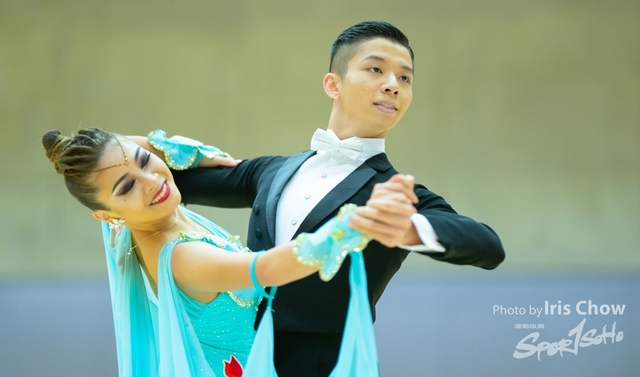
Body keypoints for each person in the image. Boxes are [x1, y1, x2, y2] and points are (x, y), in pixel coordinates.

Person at [149, 21, 506, 377]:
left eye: (405, 78)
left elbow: (488, 246)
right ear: (333, 84)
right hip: (244, 358)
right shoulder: (271, 171)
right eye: (376, 69)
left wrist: (410, 228)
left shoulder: (397, 194)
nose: (393, 85)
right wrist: (155, 148)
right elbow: (155, 183)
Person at [42, 128, 372, 377]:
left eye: (144, 161)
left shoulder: (138, 216)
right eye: (128, 186)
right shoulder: (181, 257)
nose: (151, 180)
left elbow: (122, 148)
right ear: (105, 215)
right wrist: (354, 223)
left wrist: (188, 152)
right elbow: (270, 269)